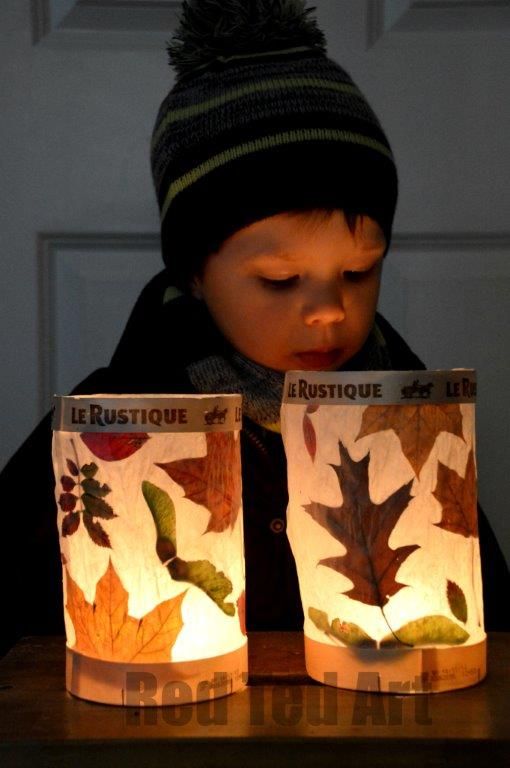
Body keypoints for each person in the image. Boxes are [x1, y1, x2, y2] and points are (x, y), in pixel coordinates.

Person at [1, 0, 508, 657]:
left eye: (358, 272)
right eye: (279, 279)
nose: (330, 308)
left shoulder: (416, 426)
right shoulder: (111, 427)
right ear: (195, 274)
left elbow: (490, 613)